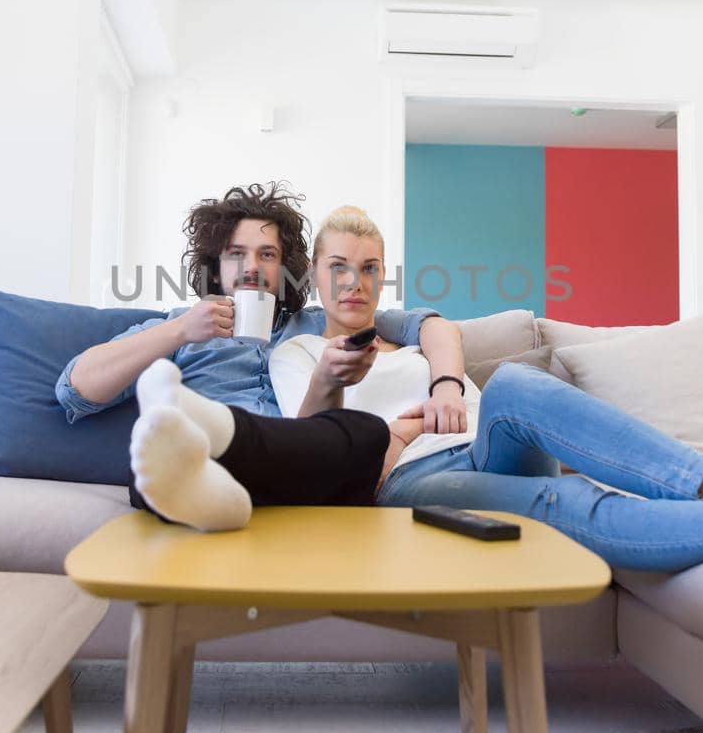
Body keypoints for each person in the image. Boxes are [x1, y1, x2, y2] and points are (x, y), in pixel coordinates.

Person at [126, 204, 703, 573]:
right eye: (337, 269)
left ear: (380, 274)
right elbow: (304, 441)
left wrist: (450, 381)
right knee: (564, 508)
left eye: (367, 268)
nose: (353, 282)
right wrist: (346, 394)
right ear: (312, 275)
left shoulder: (407, 327)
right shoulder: (292, 347)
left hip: (489, 441)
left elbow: (437, 329)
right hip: (403, 479)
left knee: (521, 383)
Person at [55, 182, 456, 514]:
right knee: (163, 457)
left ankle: (217, 471)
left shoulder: (325, 321)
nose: (252, 267)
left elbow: (428, 325)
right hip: (199, 461)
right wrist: (179, 332)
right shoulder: (176, 327)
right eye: (236, 254)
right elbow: (74, 390)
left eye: (267, 254)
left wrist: (447, 387)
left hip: (299, 466)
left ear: (287, 268)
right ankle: (214, 473)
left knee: (366, 433)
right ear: (216, 266)